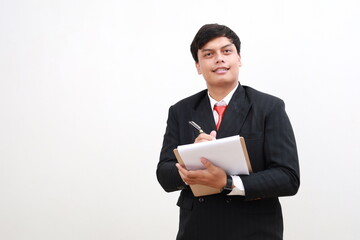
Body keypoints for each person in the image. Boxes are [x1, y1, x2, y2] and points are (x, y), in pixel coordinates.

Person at [156, 23, 300, 240]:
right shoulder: (181, 111)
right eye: (208, 54)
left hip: (254, 230)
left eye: (226, 51)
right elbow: (164, 174)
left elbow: (288, 177)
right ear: (198, 65)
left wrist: (228, 183)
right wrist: (188, 163)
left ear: (239, 58)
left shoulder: (269, 107)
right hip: (197, 230)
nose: (219, 59)